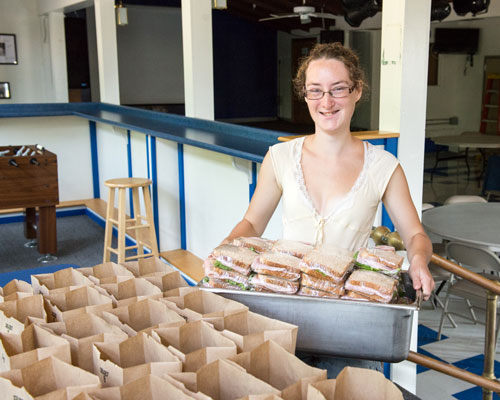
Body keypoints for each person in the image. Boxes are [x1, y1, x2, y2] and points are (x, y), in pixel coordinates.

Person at [223, 43, 435, 376]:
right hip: (284, 317)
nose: (326, 102)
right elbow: (252, 222)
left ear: (357, 91)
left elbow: (414, 233)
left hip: (351, 324)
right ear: (304, 95)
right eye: (316, 91)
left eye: (337, 89)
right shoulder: (280, 158)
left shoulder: (383, 166)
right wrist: (225, 252)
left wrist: (419, 259)